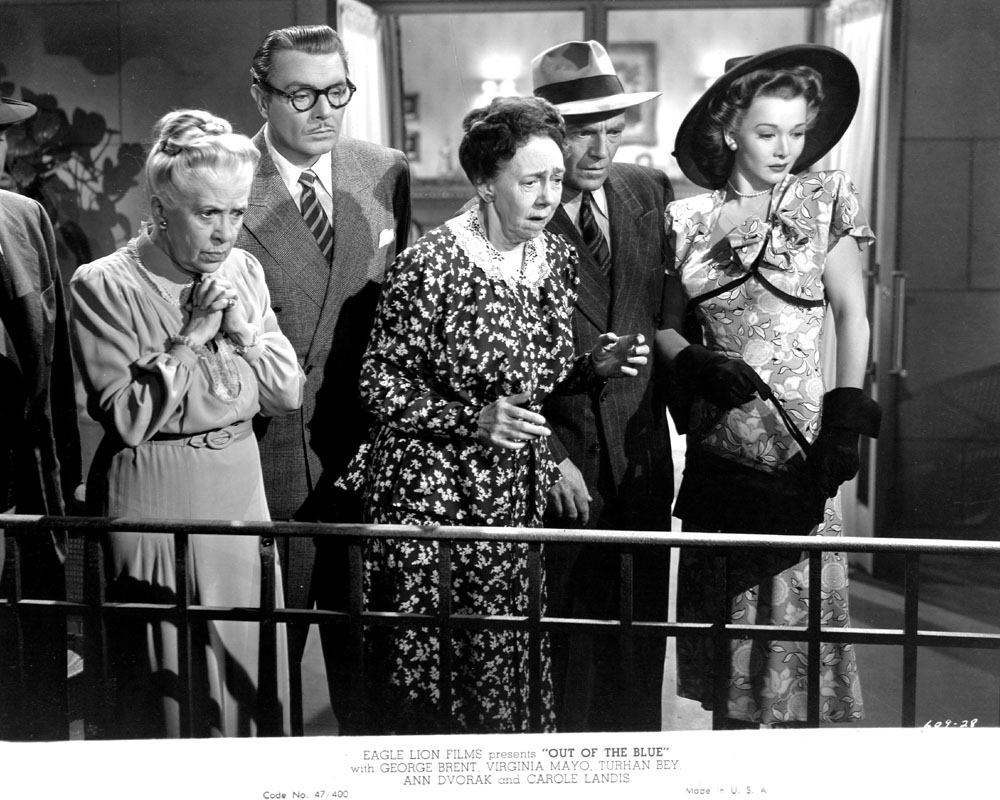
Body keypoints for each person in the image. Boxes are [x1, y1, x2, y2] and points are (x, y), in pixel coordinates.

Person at [339, 95, 649, 734]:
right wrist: (471, 420)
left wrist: (592, 367)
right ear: (484, 183)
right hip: (429, 496)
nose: (547, 196)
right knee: (431, 671)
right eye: (530, 181)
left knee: (500, 663)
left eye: (555, 179)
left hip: (508, 493)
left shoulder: (553, 257)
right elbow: (378, 383)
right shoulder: (432, 264)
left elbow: (534, 377)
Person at [658, 44, 880, 728]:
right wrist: (696, 361)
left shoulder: (825, 199)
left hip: (801, 446)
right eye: (766, 132)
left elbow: (853, 315)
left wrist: (846, 419)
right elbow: (662, 329)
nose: (785, 149)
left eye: (797, 132)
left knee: (796, 649)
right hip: (721, 451)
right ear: (730, 132)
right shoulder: (684, 221)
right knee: (729, 662)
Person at [69, 109, 304, 738]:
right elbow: (128, 416)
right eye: (207, 214)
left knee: (247, 672)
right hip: (157, 493)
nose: (225, 233)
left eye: (236, 213)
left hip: (240, 491)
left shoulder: (243, 271)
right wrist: (190, 339)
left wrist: (245, 333)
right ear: (160, 209)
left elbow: (285, 393)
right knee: (172, 688)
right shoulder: (105, 284)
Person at [236, 24, 411, 733]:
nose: (324, 111)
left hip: (364, 460)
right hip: (265, 456)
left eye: (337, 91)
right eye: (301, 94)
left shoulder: (383, 169)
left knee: (370, 683)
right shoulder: (225, 179)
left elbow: (401, 311)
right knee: (264, 676)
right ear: (261, 96)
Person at [531, 39, 675, 732]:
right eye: (581, 132)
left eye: (613, 131)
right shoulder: (519, 209)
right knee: (565, 654)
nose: (599, 150)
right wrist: (548, 455)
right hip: (563, 458)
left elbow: (666, 314)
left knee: (639, 646)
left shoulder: (647, 190)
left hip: (641, 456)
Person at [0, 94, 82, 740]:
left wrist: (66, 474)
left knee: (32, 661)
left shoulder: (24, 218)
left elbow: (51, 358)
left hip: (22, 469)